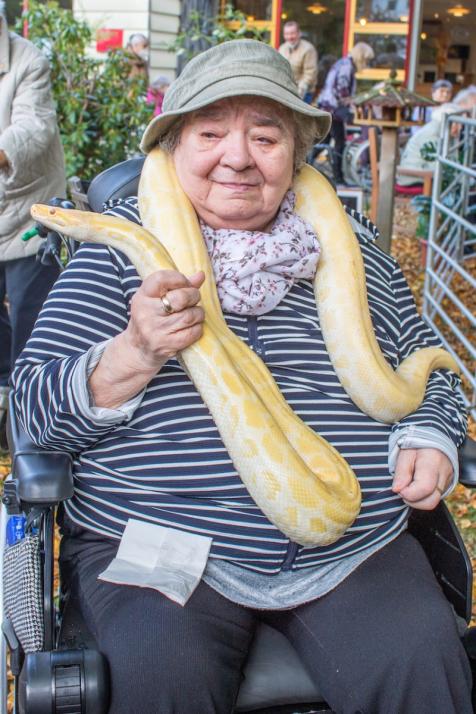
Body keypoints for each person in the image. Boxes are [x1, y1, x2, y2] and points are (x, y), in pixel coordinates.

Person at [12, 40, 472, 714]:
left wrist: (431, 431)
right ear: (170, 148)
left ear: (297, 153)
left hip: (355, 549)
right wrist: (133, 354)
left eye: (265, 136)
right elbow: (29, 412)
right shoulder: (116, 254)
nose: (237, 157)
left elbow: (428, 367)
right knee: (156, 676)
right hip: (163, 544)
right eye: (210, 133)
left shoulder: (353, 253)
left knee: (423, 666)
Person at [0, 5, 65, 444]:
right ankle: (4, 391)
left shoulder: (28, 62)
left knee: (29, 313)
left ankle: (29, 416)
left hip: (25, 208)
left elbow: (32, 130)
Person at [317, 42, 374, 183]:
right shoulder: (347, 66)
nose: (367, 63)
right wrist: (350, 102)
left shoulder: (343, 63)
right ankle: (338, 177)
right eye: (366, 60)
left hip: (328, 107)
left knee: (324, 140)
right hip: (334, 109)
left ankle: (307, 163)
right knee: (339, 142)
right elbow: (342, 87)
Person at [398, 102, 461, 187]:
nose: (460, 127)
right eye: (456, 123)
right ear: (446, 121)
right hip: (415, 180)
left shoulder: (446, 132)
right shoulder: (432, 133)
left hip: (427, 176)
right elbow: (435, 165)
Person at [279, 20, 318, 103]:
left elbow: (310, 74)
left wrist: (298, 95)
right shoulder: (282, 48)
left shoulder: (308, 49)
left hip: (304, 92)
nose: (290, 37)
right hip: (286, 90)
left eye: (292, 33)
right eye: (287, 34)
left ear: (299, 33)